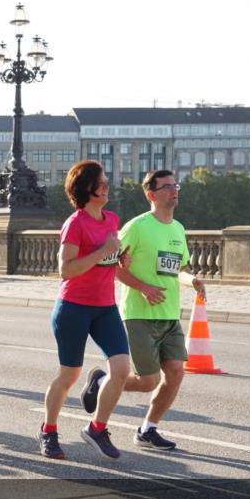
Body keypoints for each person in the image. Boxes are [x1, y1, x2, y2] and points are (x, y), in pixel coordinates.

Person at [89, 170, 204, 450]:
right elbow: (112, 266)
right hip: (138, 315)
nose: (173, 190)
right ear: (151, 194)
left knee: (176, 373)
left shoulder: (177, 228)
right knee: (148, 381)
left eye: (175, 185)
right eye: (166, 187)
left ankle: (147, 429)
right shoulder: (137, 227)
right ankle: (104, 380)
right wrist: (143, 287)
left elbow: (176, 269)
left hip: (169, 315)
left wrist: (192, 281)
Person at [39, 160, 131, 461]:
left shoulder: (112, 219)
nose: (107, 185)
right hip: (73, 307)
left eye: (106, 180)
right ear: (86, 189)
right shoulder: (75, 223)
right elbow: (66, 270)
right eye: (101, 182)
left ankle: (97, 428)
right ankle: (48, 430)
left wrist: (119, 260)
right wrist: (104, 251)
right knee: (68, 376)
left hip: (105, 308)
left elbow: (108, 262)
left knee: (121, 370)